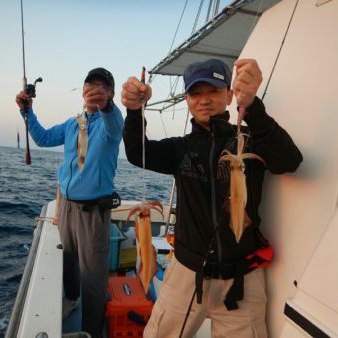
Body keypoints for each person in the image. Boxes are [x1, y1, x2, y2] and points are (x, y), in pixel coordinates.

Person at [121, 58, 302, 337]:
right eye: (196, 93)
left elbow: (289, 161)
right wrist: (134, 112)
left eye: (214, 91)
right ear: (187, 100)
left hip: (242, 281)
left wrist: (252, 106)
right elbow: (137, 152)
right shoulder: (180, 149)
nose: (204, 100)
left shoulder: (250, 141)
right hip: (186, 275)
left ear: (229, 95)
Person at [15, 67, 123, 338]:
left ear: (110, 93)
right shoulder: (72, 124)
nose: (95, 89)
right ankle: (71, 299)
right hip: (66, 206)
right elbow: (42, 138)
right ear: (83, 89)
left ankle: (91, 331)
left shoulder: (112, 124)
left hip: (93, 212)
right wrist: (27, 111)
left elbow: (114, 122)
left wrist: (108, 106)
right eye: (90, 84)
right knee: (69, 260)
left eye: (103, 86)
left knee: (94, 278)